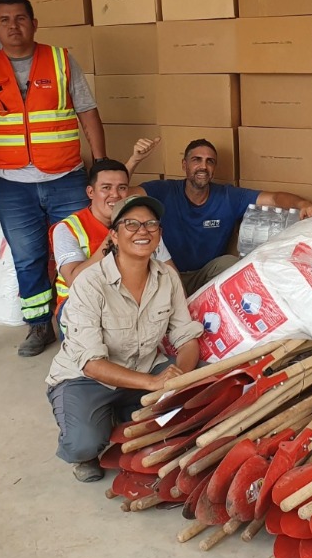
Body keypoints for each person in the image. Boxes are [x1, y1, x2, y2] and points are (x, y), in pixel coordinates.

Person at [0, 0, 107, 358]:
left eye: (21, 18)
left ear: (34, 23)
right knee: (27, 256)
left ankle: (87, 321)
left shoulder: (60, 60)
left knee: (81, 249)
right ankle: (39, 325)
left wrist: (101, 166)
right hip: (11, 184)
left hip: (66, 176)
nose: (14, 26)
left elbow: (88, 112)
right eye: (5, 20)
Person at [45, 196, 204, 482]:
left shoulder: (166, 276)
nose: (142, 231)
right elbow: (91, 364)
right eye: (131, 224)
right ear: (114, 237)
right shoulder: (89, 283)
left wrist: (180, 379)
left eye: (150, 224)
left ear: (159, 234)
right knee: (85, 444)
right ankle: (99, 425)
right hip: (87, 379)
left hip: (144, 366)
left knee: (201, 396)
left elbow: (186, 337)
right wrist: (154, 384)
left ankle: (124, 410)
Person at [133, 139, 312, 295]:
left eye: (210, 161)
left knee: (231, 264)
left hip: (206, 275)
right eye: (196, 160)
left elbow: (274, 198)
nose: (203, 166)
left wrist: (302, 204)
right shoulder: (164, 190)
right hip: (166, 273)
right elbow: (119, 195)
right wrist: (134, 160)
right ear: (184, 165)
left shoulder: (228, 196)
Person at [51, 154, 175, 323]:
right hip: (79, 307)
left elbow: (170, 273)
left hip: (132, 301)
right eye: (106, 188)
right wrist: (115, 236)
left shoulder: (144, 224)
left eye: (122, 188)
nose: (115, 194)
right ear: (90, 192)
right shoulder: (67, 229)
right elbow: (74, 281)